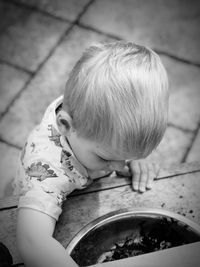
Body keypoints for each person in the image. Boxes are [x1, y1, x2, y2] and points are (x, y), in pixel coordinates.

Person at [14, 41, 169, 267]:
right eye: (107, 158)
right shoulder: (47, 171)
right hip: (36, 200)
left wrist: (139, 157)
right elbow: (31, 240)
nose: (119, 166)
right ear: (65, 125)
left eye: (126, 157)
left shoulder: (89, 124)